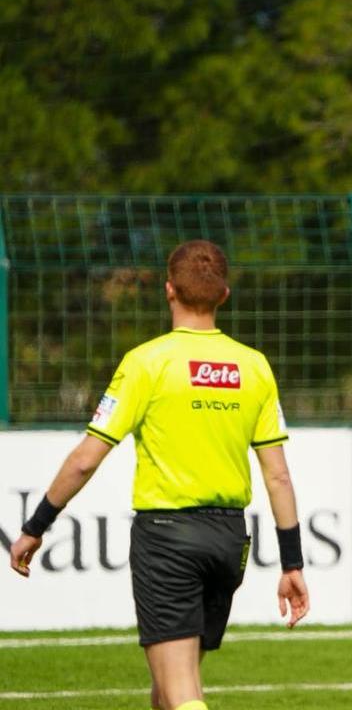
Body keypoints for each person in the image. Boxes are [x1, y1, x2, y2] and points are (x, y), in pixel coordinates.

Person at [8, 240, 310, 710]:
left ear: (168, 290)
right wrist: (292, 563)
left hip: (167, 538)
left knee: (182, 692)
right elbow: (279, 477)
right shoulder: (254, 367)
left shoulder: (146, 362)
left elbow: (87, 458)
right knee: (173, 684)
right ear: (223, 295)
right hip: (229, 540)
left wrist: (35, 526)